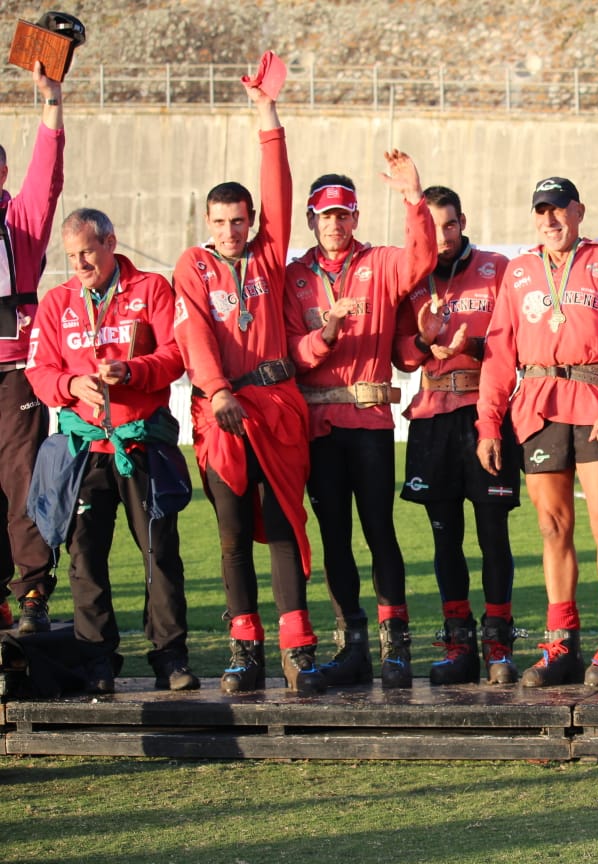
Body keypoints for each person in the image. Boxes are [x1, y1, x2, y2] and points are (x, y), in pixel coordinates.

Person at [172, 80, 325, 694]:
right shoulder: (193, 265)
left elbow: (279, 190)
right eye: (221, 222)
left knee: (286, 522)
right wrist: (215, 390)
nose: (232, 230)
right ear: (206, 223)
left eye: (240, 221)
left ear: (252, 222)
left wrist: (268, 116)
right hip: (223, 408)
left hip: (276, 404)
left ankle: (298, 648)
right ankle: (244, 648)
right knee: (233, 531)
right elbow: (194, 333)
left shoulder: (268, 257)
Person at [476, 177, 598, 688]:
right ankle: (562, 644)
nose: (550, 221)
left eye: (559, 210)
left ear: (579, 212)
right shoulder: (520, 271)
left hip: (594, 402)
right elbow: (500, 351)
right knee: (552, 528)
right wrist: (488, 421)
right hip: (539, 406)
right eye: (541, 212)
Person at [26, 209, 194, 693]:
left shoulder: (152, 289)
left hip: (141, 443)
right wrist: (71, 382)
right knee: (86, 558)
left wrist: (134, 371)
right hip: (84, 449)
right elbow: (39, 371)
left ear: (111, 243)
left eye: (88, 253)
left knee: (159, 554)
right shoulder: (56, 302)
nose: (80, 264)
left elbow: (176, 355)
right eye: (72, 256)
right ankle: (97, 661)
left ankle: (170, 658)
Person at [284, 156, 435, 689]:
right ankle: (352, 645)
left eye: (344, 214)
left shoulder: (381, 262)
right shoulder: (293, 278)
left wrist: (414, 199)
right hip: (318, 429)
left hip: (369, 423)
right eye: (326, 215)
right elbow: (289, 354)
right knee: (334, 539)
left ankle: (396, 647)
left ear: (355, 217)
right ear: (311, 218)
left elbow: (420, 260)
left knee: (379, 531)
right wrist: (324, 333)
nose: (335, 223)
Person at [393, 185, 521, 685]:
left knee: (493, 533)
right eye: (432, 227)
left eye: (449, 225)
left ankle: (498, 642)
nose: (442, 236)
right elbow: (400, 356)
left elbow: (516, 339)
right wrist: (426, 341)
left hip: (485, 412)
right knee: (444, 536)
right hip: (431, 417)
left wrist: (473, 346)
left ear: (463, 221)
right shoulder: (412, 277)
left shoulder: (497, 267)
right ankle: (457, 641)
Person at [0, 63, 61, 634]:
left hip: (15, 371)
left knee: (22, 481)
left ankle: (33, 592)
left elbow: (46, 178)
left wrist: (50, 103)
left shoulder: (20, 220)